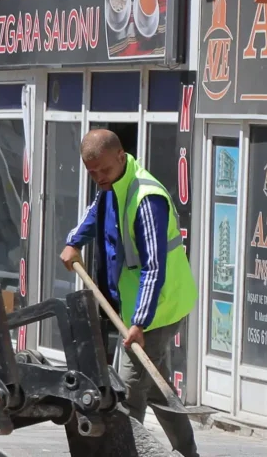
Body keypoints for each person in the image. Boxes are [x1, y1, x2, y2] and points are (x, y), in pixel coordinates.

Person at [57, 127, 193, 420]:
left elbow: (154, 266)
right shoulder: (111, 187)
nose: (99, 178)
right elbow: (95, 212)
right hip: (136, 306)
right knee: (158, 387)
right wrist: (74, 242)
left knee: (128, 395)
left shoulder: (146, 198)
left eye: (104, 170)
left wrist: (140, 323)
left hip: (160, 305)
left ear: (121, 156)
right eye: (92, 173)